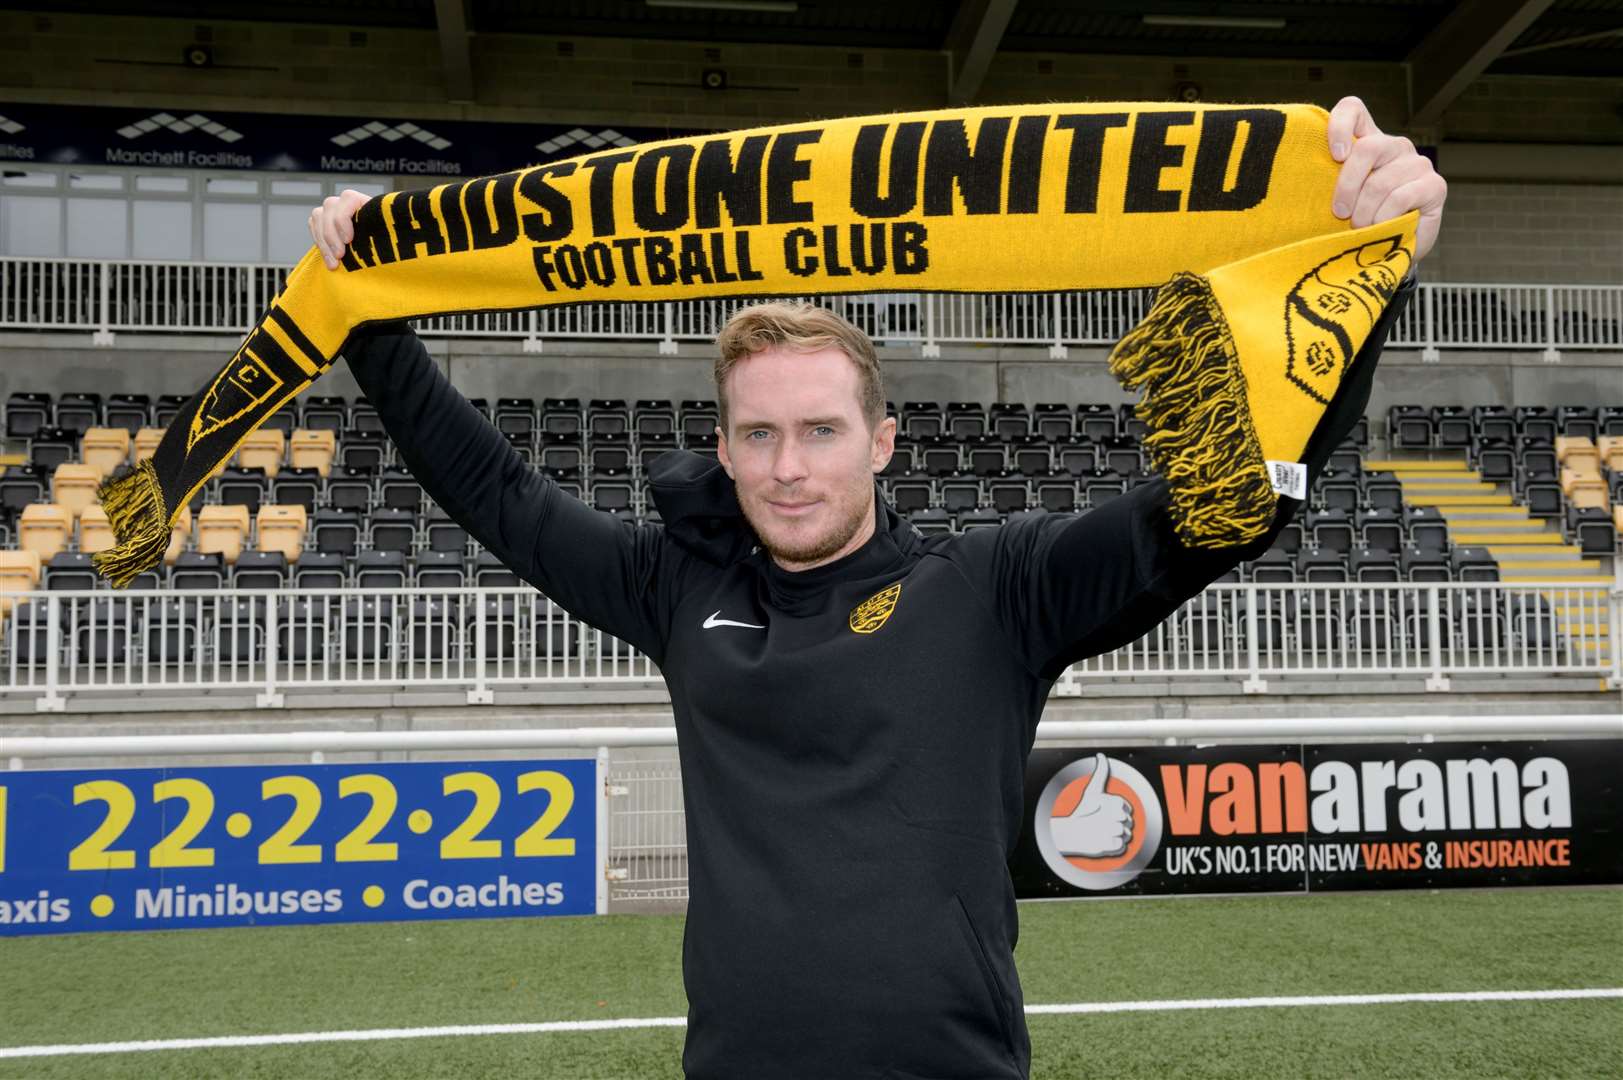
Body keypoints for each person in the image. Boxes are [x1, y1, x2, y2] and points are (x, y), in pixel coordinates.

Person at [310, 96, 1445, 1079]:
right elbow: (495, 490)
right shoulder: (675, 585)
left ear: (884, 440)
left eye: (819, 430)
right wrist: (369, 325)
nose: (788, 467)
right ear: (724, 443)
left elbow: (1232, 504)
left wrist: (1364, 272)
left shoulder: (996, 587)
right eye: (758, 435)